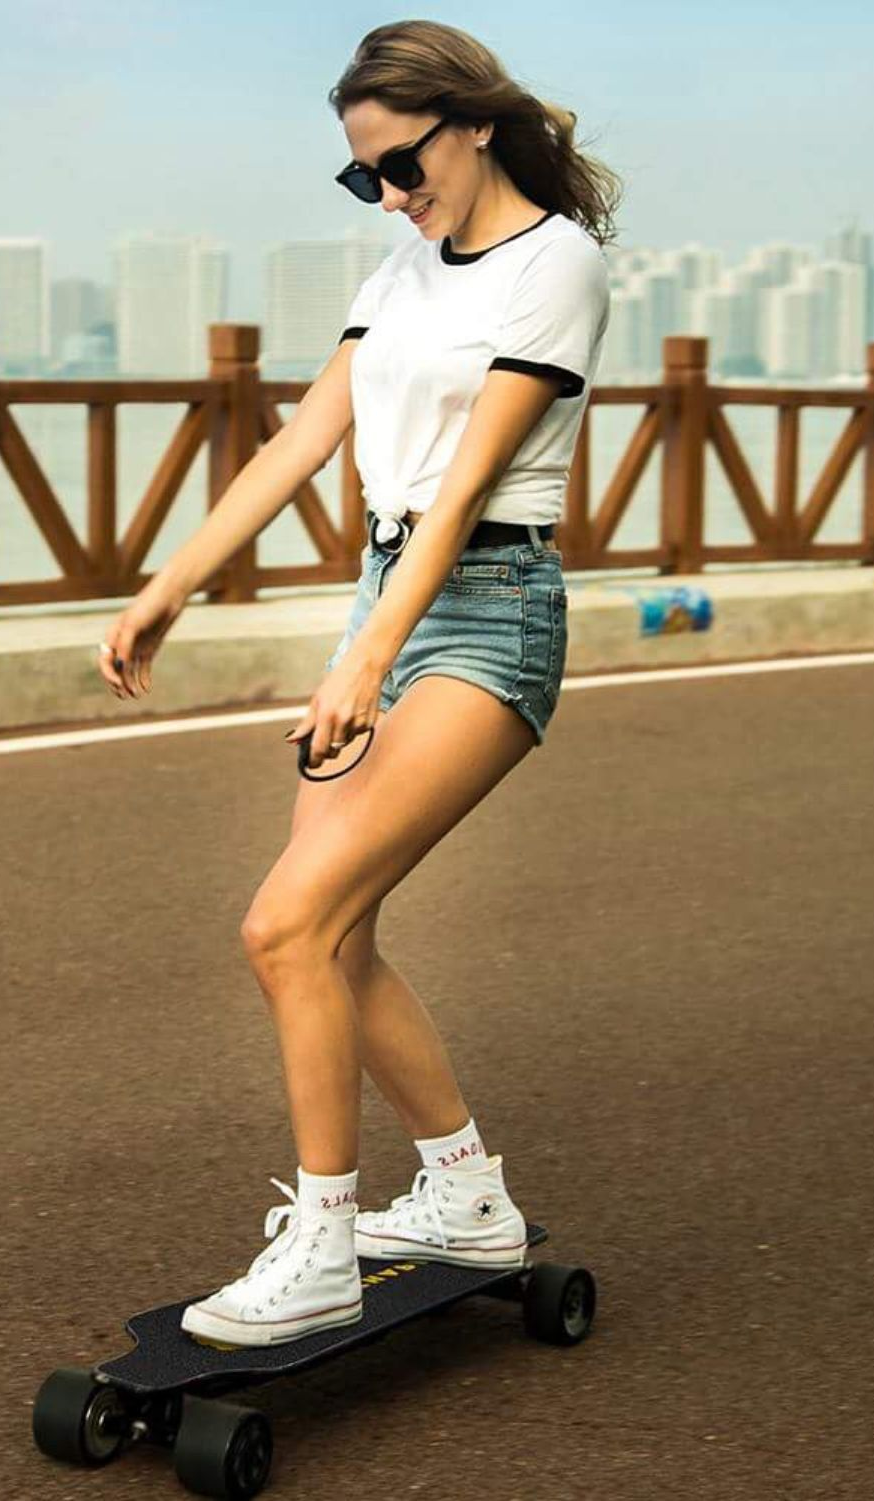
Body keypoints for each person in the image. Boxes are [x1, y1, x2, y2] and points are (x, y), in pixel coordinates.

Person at [95, 20, 621, 1348]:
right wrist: (167, 587)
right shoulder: (401, 272)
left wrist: (373, 664)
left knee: (286, 924)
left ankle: (324, 1242)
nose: (390, 195)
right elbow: (299, 443)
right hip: (380, 602)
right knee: (332, 935)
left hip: (484, 614)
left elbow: (460, 493)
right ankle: (465, 1194)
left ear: (474, 125)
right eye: (363, 178)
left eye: (401, 165)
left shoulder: (557, 265)